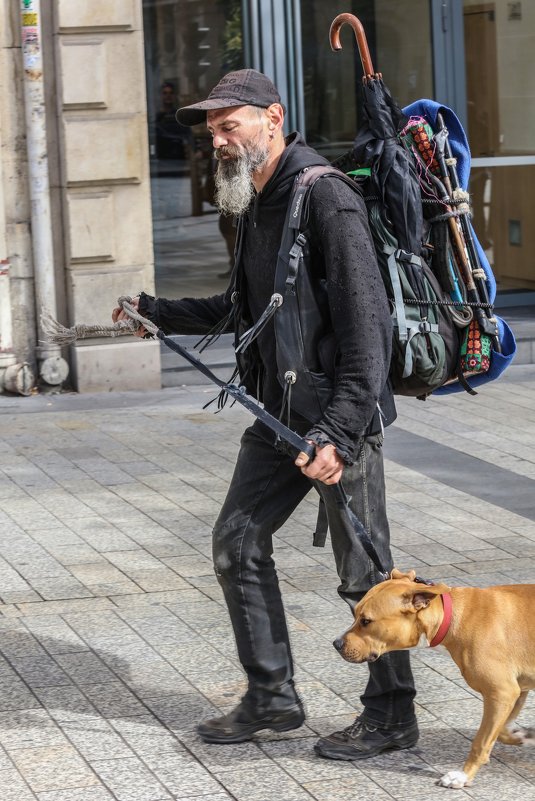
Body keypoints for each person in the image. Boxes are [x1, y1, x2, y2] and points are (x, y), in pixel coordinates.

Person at [113, 69, 418, 760]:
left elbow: (367, 329)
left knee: (364, 574)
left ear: (273, 118)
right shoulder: (257, 200)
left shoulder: (325, 198)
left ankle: (393, 714)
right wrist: (156, 312)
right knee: (236, 542)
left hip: (336, 423)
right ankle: (272, 697)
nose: (219, 140)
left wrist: (338, 432)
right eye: (213, 129)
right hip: (278, 416)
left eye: (231, 124)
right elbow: (243, 310)